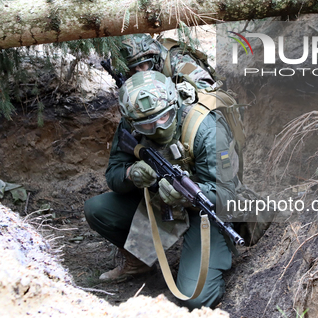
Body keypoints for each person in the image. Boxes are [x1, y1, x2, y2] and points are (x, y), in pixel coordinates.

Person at [84, 70, 237, 309]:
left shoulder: (206, 130)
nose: (156, 128)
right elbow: (113, 174)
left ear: (174, 105)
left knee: (195, 297)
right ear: (133, 121)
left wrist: (188, 197)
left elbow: (229, 195)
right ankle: (139, 260)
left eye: (164, 119)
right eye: (146, 124)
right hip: (159, 200)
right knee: (97, 210)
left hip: (205, 210)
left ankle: (212, 259)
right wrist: (131, 174)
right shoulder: (131, 123)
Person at [119, 34, 216, 90]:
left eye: (142, 65)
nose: (138, 72)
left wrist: (170, 94)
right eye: (132, 69)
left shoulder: (177, 61)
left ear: (154, 59)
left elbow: (206, 85)